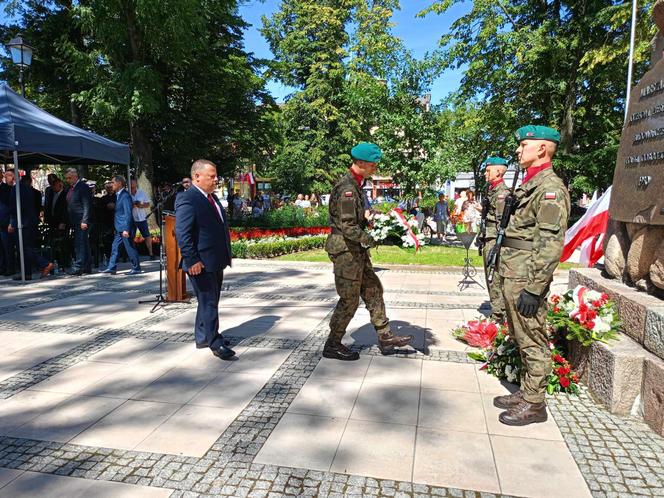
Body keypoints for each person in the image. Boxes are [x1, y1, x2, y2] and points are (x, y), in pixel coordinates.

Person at [493, 125, 570, 426]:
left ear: (541, 149)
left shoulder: (550, 189)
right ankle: (526, 392)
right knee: (520, 335)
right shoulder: (531, 184)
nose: (517, 150)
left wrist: (535, 288)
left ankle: (535, 404)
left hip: (526, 277)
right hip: (514, 271)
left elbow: (550, 245)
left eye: (524, 144)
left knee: (533, 338)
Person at [324, 142, 413, 361]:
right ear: (361, 163)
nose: (376, 168)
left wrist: (371, 221)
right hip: (346, 251)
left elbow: (356, 219)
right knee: (349, 300)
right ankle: (332, 344)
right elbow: (348, 227)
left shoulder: (356, 185)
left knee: (373, 289)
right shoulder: (346, 188)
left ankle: (385, 336)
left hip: (355, 250)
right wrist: (372, 239)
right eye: (373, 164)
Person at [175, 159, 235, 361]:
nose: (216, 179)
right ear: (197, 176)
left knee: (209, 300)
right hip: (200, 262)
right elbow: (182, 233)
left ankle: (203, 336)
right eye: (212, 176)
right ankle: (215, 342)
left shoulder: (212, 198)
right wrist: (192, 260)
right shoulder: (188, 198)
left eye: (215, 175)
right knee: (209, 302)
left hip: (215, 259)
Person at [480, 157, 510, 323]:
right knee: (490, 278)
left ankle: (498, 315)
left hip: (495, 241)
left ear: (499, 171)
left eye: (488, 170)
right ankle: (496, 311)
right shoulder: (492, 191)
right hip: (489, 238)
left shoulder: (501, 194)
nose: (485, 173)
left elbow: (501, 224)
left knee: (494, 278)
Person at [9, 174, 54, 280]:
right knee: (26, 248)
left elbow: (14, 207)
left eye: (8, 176)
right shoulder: (28, 189)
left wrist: (11, 222)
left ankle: (45, 264)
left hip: (23, 223)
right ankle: (27, 273)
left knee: (25, 249)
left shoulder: (17, 189)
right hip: (29, 222)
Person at [100, 176, 141, 275]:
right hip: (119, 227)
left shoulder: (125, 196)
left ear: (119, 184)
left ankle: (136, 268)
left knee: (130, 247)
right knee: (115, 247)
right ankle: (112, 267)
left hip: (125, 227)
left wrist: (126, 229)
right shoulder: (118, 195)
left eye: (113, 182)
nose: (111, 185)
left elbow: (128, 213)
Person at [65, 168, 92, 275]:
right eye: (66, 178)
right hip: (75, 220)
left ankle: (78, 266)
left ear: (75, 176)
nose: (67, 180)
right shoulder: (71, 188)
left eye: (69, 178)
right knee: (84, 243)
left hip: (81, 219)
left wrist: (85, 220)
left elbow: (87, 204)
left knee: (80, 243)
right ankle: (87, 266)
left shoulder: (82, 187)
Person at [130, 179, 154, 260]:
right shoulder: (126, 193)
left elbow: (148, 204)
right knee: (131, 237)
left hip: (142, 218)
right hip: (131, 219)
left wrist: (141, 205)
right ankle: (131, 255)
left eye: (133, 182)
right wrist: (132, 205)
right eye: (130, 182)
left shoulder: (141, 192)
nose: (132, 184)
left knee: (147, 236)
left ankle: (151, 253)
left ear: (136, 183)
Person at [0, 170, 16, 276]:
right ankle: (2, 267)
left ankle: (10, 267)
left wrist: (11, 222)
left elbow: (11, 207)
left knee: (7, 247)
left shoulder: (7, 189)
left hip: (5, 223)